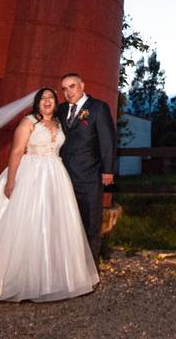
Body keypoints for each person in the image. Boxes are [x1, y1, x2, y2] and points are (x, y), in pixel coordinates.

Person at [0, 87, 98, 302]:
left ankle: (51, 279)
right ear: (36, 103)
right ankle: (10, 280)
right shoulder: (28, 122)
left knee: (52, 225)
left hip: (55, 175)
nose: (47, 101)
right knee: (25, 222)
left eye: (51, 98)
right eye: (43, 99)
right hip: (31, 172)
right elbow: (16, 151)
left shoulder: (59, 123)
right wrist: (11, 180)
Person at [57, 72, 117, 266]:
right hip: (63, 176)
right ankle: (70, 268)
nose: (68, 92)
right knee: (66, 223)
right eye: (64, 89)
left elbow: (107, 141)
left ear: (82, 85)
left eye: (72, 86)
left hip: (89, 176)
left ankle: (91, 271)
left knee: (91, 223)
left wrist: (108, 170)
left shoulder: (98, 108)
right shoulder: (61, 109)